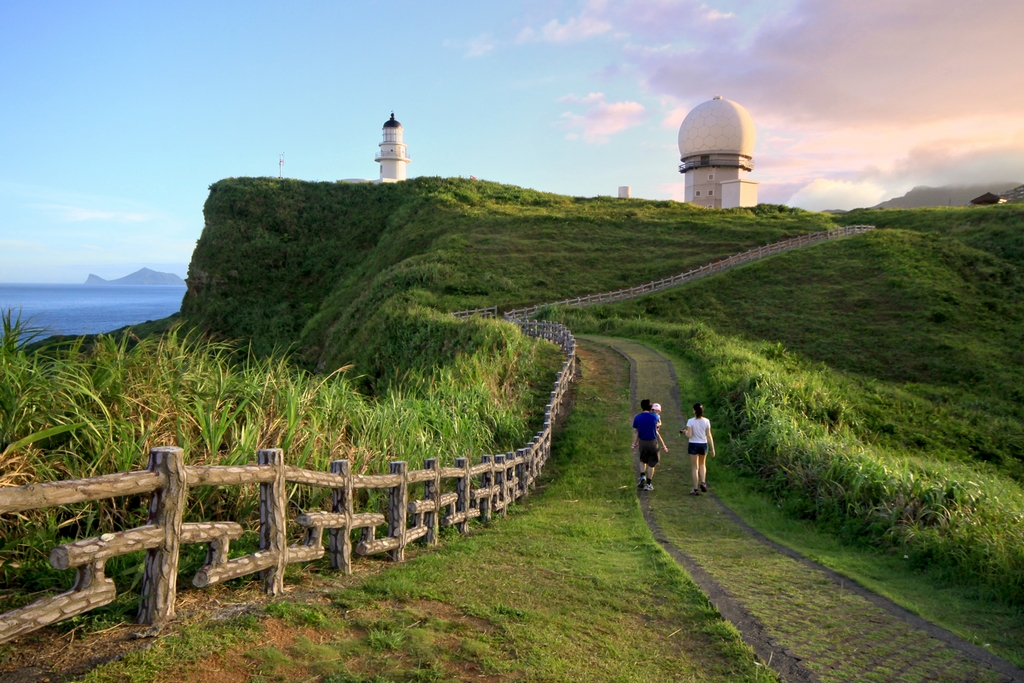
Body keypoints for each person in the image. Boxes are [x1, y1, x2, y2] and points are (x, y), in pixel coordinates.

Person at [681, 402, 715, 495]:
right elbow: (709, 435)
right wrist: (713, 448)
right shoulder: (706, 421)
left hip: (693, 444)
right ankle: (703, 482)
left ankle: (695, 489)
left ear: (694, 411)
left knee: (694, 467)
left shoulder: (691, 421)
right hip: (703, 444)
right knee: (702, 464)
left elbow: (690, 435)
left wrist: (685, 432)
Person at [632, 399, 665, 491]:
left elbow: (636, 431)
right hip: (652, 441)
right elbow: (658, 425)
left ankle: (642, 476)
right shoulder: (655, 417)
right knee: (652, 463)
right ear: (650, 407)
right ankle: (648, 484)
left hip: (642, 442)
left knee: (642, 459)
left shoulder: (637, 417)